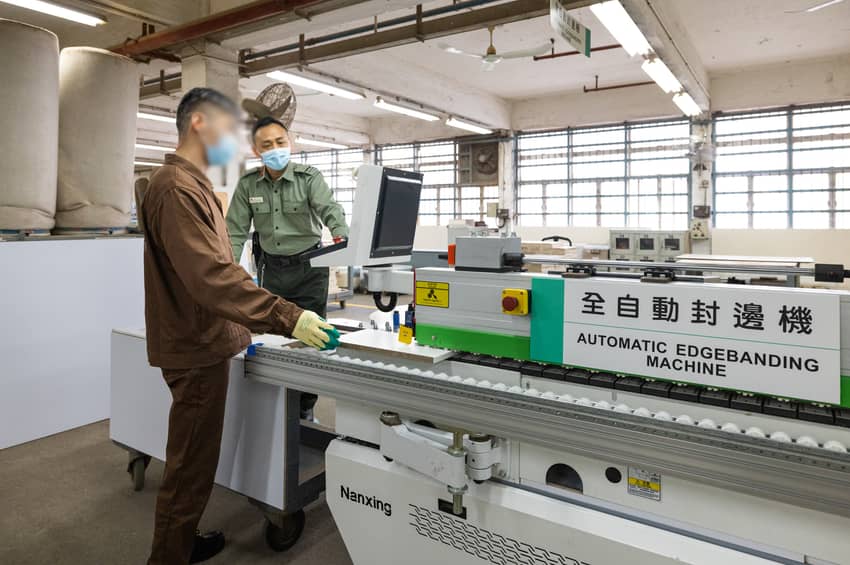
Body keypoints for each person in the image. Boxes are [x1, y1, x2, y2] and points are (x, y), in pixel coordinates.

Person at [140, 87, 337, 565]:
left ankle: (182, 542)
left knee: (197, 458)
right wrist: (286, 315)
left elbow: (217, 263)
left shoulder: (192, 184)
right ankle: (169, 556)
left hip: (207, 336)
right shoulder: (175, 188)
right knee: (190, 464)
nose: (239, 142)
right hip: (196, 344)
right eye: (232, 129)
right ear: (200, 124)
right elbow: (211, 275)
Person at [226, 116, 349, 418]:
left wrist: (341, 232)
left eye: (280, 142)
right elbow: (235, 231)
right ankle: (278, 408)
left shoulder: (309, 178)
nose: (275, 149)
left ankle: (305, 407)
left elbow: (329, 208)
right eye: (267, 145)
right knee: (275, 339)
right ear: (257, 151)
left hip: (310, 271)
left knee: (311, 341)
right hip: (272, 273)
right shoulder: (247, 185)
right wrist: (225, 270)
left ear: (290, 143)